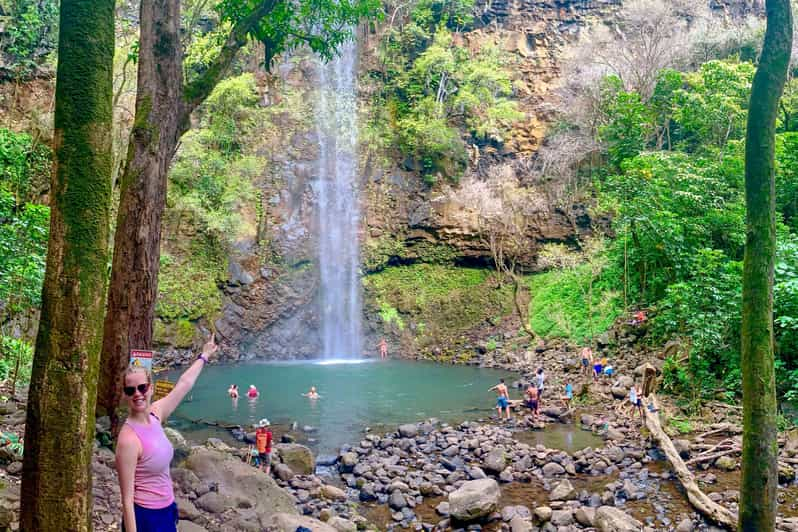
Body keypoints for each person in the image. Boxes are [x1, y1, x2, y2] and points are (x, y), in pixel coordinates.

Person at [116, 333, 218, 532]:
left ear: (151, 388)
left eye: (142, 387)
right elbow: (127, 501)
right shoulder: (128, 439)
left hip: (166, 507)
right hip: (145, 516)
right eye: (130, 390)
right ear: (125, 395)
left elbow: (184, 384)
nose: (137, 393)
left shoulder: (156, 414)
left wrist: (204, 356)